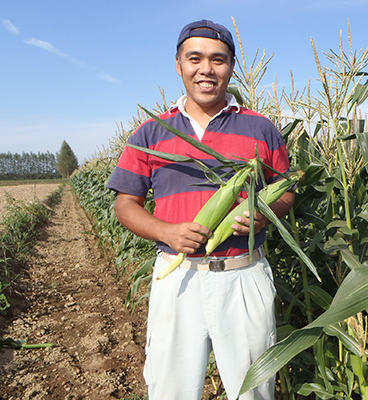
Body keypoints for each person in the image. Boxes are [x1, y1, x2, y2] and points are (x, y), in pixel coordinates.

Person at [106, 19, 294, 400]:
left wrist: (266, 214)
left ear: (231, 67)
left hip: (244, 274)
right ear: (179, 65)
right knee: (171, 389)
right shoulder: (152, 132)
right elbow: (125, 204)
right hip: (178, 278)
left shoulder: (261, 128)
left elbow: (286, 191)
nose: (206, 69)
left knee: (253, 391)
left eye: (218, 60)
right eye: (195, 59)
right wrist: (166, 231)